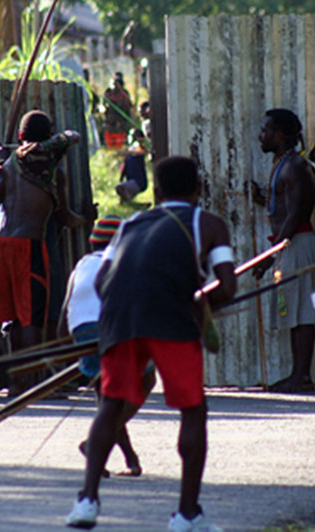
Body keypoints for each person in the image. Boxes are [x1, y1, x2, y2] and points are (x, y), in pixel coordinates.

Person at [66, 156, 236, 531]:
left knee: (109, 407)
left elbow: (102, 282)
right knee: (193, 410)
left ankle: (87, 501)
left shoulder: (129, 225)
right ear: (199, 189)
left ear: (155, 192)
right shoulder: (207, 223)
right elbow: (227, 286)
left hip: (118, 320)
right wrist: (198, 303)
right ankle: (186, 514)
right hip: (171, 321)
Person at [0, 111, 90, 390]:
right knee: (32, 319)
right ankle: (35, 384)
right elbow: (66, 218)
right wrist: (86, 218)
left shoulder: (1, 170)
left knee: (13, 318)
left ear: (21, 137)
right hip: (30, 248)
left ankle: (19, 384)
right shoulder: (50, 170)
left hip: (4, 248)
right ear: (47, 138)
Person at [58, 215, 156, 478]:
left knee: (108, 400)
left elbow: (64, 313)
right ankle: (94, 444)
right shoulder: (128, 262)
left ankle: (128, 458)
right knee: (148, 378)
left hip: (82, 334)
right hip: (113, 332)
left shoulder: (81, 265)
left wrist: (68, 349)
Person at [250, 108, 315, 393]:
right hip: (288, 244)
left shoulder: (294, 166)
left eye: (265, 130)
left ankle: (302, 376)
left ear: (279, 135)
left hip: (295, 244)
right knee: (293, 309)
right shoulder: (285, 164)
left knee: (301, 311)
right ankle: (297, 374)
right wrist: (261, 199)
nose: (260, 135)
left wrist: (270, 255)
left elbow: (298, 212)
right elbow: (285, 206)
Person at [115, 128, 149, 202]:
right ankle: (130, 205)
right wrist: (121, 178)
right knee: (122, 196)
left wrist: (139, 142)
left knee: (119, 188)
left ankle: (130, 203)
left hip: (139, 182)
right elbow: (124, 166)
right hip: (131, 181)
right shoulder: (129, 152)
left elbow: (141, 151)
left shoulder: (138, 149)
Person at [102, 72, 133, 149]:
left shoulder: (124, 94)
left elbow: (128, 107)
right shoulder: (108, 93)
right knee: (110, 147)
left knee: (120, 147)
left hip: (121, 127)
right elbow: (104, 106)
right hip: (109, 126)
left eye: (119, 83)